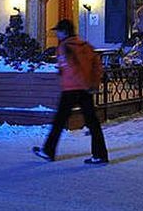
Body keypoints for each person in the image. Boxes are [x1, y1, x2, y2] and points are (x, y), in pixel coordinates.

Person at [33, 19, 109, 164]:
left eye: (59, 31)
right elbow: (97, 65)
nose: (57, 34)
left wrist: (80, 82)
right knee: (93, 122)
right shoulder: (86, 46)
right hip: (84, 89)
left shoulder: (64, 47)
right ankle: (100, 154)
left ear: (65, 32)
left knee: (59, 121)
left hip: (71, 89)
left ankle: (48, 151)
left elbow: (72, 68)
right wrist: (92, 83)